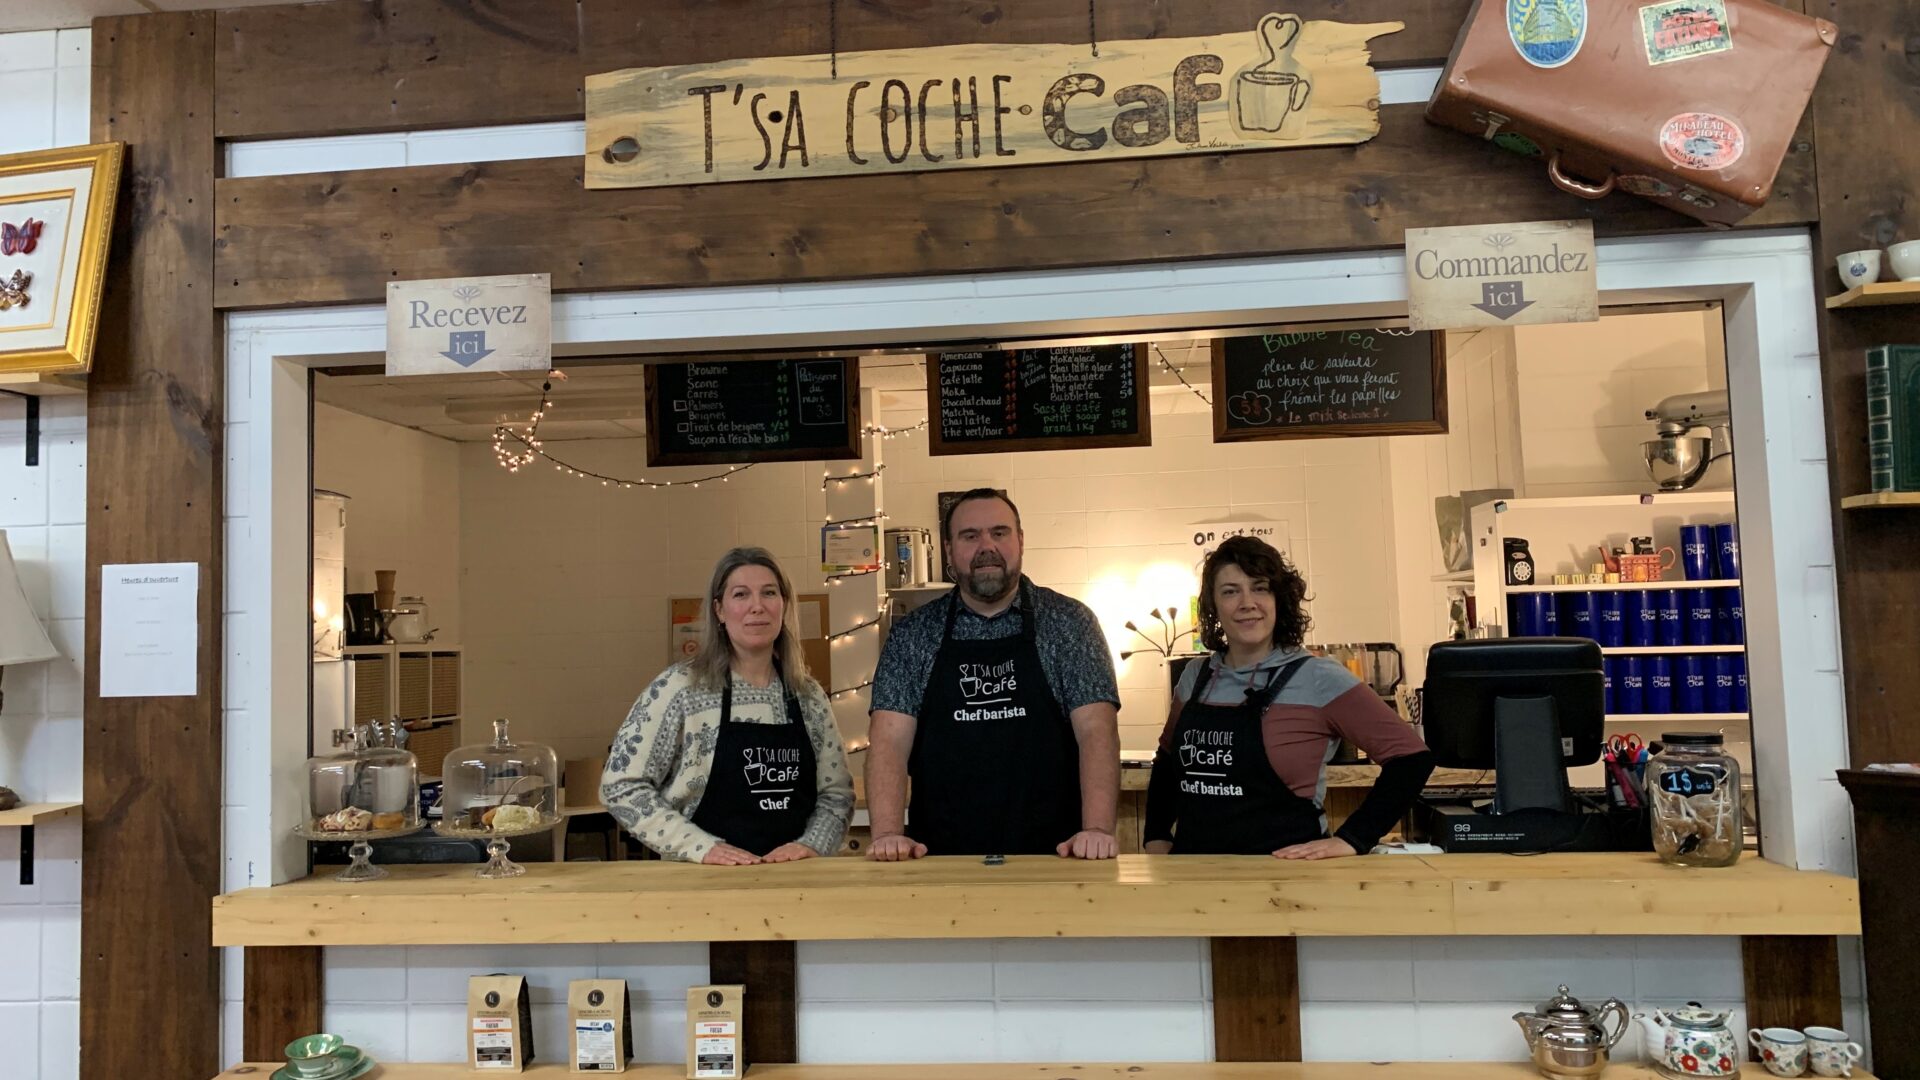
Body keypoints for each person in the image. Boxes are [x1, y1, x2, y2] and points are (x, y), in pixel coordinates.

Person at [866, 488, 1121, 860]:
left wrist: (1096, 830)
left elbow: (1097, 732)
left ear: (1020, 541)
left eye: (999, 532)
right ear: (950, 551)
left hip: (1055, 861)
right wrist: (888, 834)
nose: (987, 545)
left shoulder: (1071, 624)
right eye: (970, 536)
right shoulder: (913, 633)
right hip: (939, 864)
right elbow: (889, 742)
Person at [1144, 536, 1434, 857]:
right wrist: (1155, 835)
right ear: (1212, 605)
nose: (1247, 602)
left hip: (1288, 881)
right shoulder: (1194, 677)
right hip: (1195, 876)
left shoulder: (1318, 677)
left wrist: (1353, 838)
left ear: (1278, 599)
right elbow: (1168, 762)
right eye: (1230, 591)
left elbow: (1411, 759)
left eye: (1260, 587)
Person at [602, 547, 853, 864]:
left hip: (794, 883)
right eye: (741, 595)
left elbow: (837, 795)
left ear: (784, 605)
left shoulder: (808, 696)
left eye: (769, 593)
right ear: (719, 610)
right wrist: (700, 847)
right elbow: (621, 785)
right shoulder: (680, 689)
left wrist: (812, 845)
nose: (757, 607)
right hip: (699, 887)